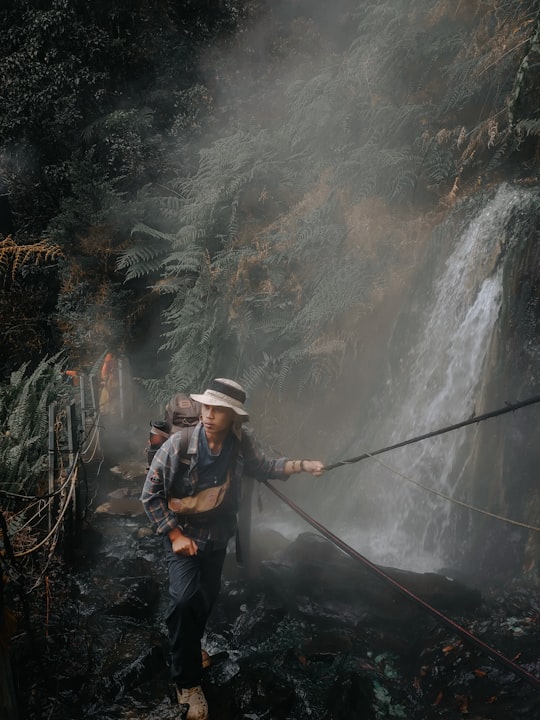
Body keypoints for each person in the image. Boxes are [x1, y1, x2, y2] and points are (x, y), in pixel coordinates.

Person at [141, 378, 325, 720]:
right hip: (183, 535)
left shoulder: (240, 444)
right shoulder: (178, 446)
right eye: (206, 408)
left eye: (219, 411)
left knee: (205, 600)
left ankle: (190, 646)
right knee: (183, 601)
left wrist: (304, 466)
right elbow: (149, 497)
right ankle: (187, 684)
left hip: (217, 538)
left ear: (234, 418)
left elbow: (264, 466)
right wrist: (174, 535)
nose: (208, 415)